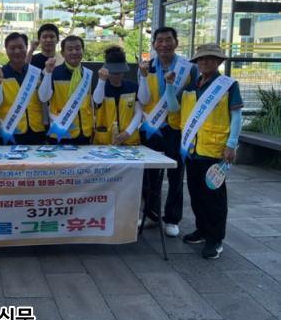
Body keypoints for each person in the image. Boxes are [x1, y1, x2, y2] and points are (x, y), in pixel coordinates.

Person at [166, 43, 243, 259]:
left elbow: (237, 116)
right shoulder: (190, 87)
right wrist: (170, 86)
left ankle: (215, 238)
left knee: (214, 198)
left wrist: (232, 144)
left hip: (215, 151)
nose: (204, 62)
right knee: (196, 194)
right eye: (200, 59)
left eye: (209, 58)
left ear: (219, 61)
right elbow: (173, 108)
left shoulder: (228, 85)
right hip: (192, 150)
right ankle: (202, 229)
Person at [140, 27, 198, 237]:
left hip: (177, 128)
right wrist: (143, 77)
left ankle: (172, 218)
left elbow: (194, 97)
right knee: (150, 174)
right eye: (160, 40)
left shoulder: (189, 68)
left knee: (176, 175)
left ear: (176, 42)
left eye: (168, 39)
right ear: (154, 44)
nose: (164, 44)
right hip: (152, 128)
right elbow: (143, 98)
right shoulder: (147, 67)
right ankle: (151, 215)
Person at [0, 32, 45, 145]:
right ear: (6, 50)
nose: (17, 51)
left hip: (37, 130)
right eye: (12, 48)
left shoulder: (36, 73)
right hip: (10, 131)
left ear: (26, 48)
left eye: (20, 47)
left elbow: (44, 99)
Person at [39, 35, 94, 145]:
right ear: (63, 53)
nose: (74, 52)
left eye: (78, 48)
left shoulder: (88, 73)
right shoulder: (54, 72)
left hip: (85, 132)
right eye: (70, 49)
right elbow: (43, 97)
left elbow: (90, 103)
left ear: (83, 51)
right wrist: (48, 73)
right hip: (61, 131)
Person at [93, 46, 149, 146]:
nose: (116, 76)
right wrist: (101, 81)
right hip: (104, 142)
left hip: (130, 141)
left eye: (119, 73)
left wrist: (128, 133)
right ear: (107, 70)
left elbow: (139, 112)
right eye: (113, 73)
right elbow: (97, 100)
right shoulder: (101, 88)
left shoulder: (132, 87)